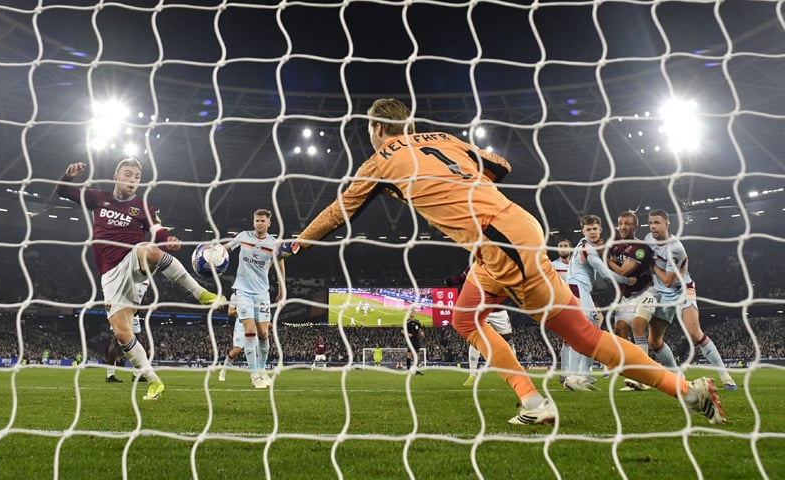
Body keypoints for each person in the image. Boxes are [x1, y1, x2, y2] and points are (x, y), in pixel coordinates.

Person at [277, 98, 725, 425]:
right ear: (407, 123)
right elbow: (501, 164)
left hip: (502, 241)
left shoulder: (378, 161)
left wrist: (297, 244)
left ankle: (685, 390)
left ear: (375, 130)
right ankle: (531, 401)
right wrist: (473, 181)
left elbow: (339, 211)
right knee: (464, 321)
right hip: (503, 234)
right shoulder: (442, 139)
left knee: (585, 338)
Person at [57, 158, 225, 401]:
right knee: (122, 333)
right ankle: (154, 383)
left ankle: (201, 294)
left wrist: (168, 239)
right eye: (128, 174)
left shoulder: (143, 207)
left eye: (137, 176)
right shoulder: (98, 197)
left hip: (133, 261)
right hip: (110, 275)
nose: (133, 180)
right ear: (116, 176)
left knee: (149, 249)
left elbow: (157, 230)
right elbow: (62, 191)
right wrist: (68, 175)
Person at [630, 209, 737, 391]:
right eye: (650, 223)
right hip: (660, 294)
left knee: (695, 333)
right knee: (654, 342)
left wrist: (651, 264)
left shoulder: (675, 248)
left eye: (657, 222)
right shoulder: (648, 238)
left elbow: (669, 280)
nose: (653, 226)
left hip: (681, 291)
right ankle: (677, 376)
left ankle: (726, 378)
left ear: (666, 224)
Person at [564, 215, 636, 389]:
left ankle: (583, 375)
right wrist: (627, 281)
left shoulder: (582, 244)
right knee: (584, 332)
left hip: (579, 289)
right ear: (583, 231)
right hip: (577, 289)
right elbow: (604, 273)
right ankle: (573, 377)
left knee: (593, 328)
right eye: (589, 229)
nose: (593, 232)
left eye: (595, 229)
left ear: (600, 230)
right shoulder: (588, 248)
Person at [224, 208, 284, 389]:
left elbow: (281, 264)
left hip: (262, 293)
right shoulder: (243, 236)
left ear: (269, 224)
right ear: (253, 222)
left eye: (262, 221)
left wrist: (282, 289)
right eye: (257, 220)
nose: (259, 223)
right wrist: (213, 252)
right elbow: (226, 248)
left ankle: (262, 369)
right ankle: (254, 376)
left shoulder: (274, 243)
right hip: (242, 291)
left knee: (263, 334)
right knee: (249, 332)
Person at [604, 211, 657, 391]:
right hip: (626, 296)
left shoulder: (640, 247)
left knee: (638, 325)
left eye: (628, 223)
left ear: (636, 226)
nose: (624, 227)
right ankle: (634, 373)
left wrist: (607, 261)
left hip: (646, 291)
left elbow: (623, 271)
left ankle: (645, 375)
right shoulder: (615, 247)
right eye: (621, 223)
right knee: (620, 331)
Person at [446, 267, 515, 387]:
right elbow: (462, 278)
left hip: (498, 311)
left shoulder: (500, 264)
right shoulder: (476, 264)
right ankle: (472, 375)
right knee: (476, 340)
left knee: (508, 339)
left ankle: (514, 372)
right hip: (481, 311)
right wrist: (451, 282)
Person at [106, 280, 150, 383]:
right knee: (116, 342)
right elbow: (144, 302)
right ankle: (110, 375)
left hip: (128, 313)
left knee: (136, 343)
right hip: (121, 312)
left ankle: (136, 375)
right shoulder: (139, 280)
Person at [550, 239, 572, 384]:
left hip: (578, 303)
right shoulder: (553, 266)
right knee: (568, 339)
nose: (563, 249)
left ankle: (574, 372)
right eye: (560, 246)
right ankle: (566, 373)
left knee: (575, 339)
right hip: (562, 304)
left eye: (565, 246)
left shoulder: (577, 265)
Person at [218, 292, 247, 382]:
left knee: (256, 350)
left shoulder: (255, 291)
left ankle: (259, 375)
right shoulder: (235, 295)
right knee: (236, 351)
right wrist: (240, 310)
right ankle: (223, 371)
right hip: (241, 326)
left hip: (253, 324)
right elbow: (230, 312)